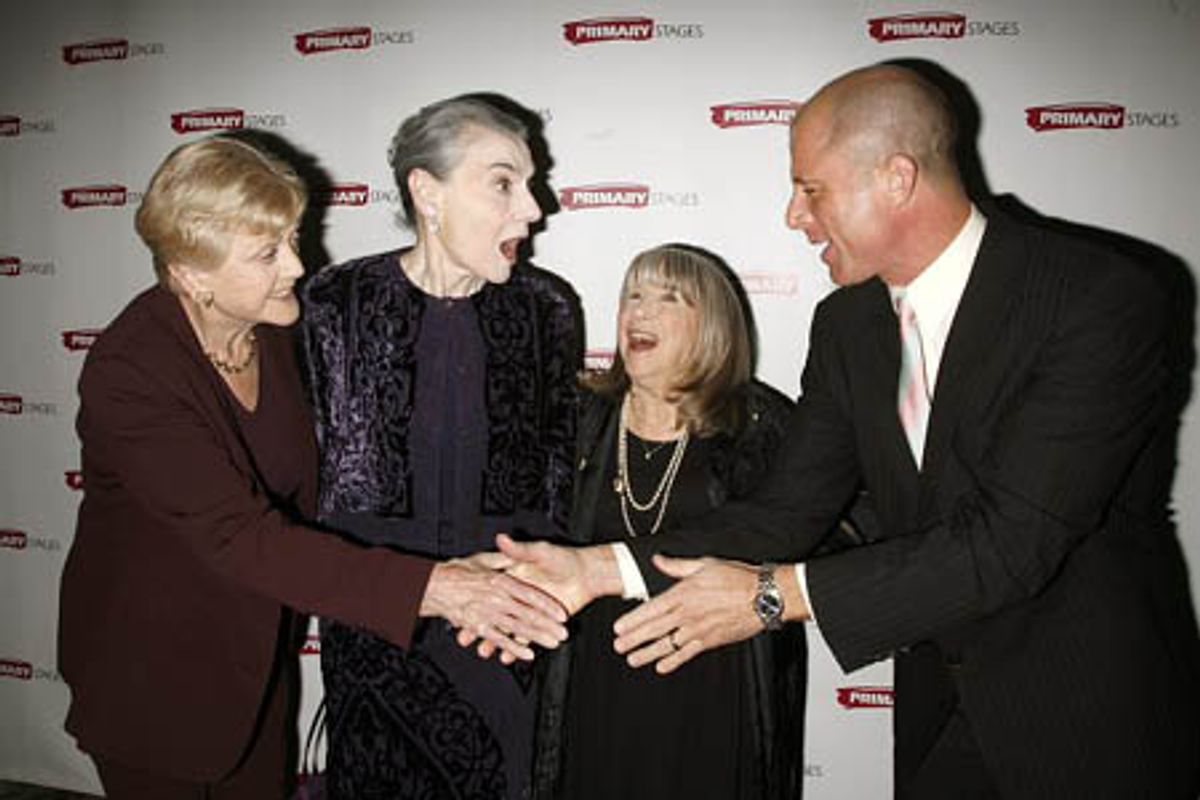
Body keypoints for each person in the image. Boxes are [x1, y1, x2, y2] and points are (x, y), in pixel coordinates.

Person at [504, 64, 1200, 799]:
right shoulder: (848, 324)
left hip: (1090, 718)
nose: (793, 216)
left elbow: (1010, 544)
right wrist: (599, 570)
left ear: (896, 179)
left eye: (812, 189)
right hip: (939, 717)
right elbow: (789, 512)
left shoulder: (1099, 296)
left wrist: (771, 598)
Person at [57, 135, 568, 800]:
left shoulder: (277, 330)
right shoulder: (131, 373)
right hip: (157, 679)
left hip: (256, 669)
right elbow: (238, 535)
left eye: (293, 239)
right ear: (190, 274)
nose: (297, 266)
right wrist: (434, 587)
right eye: (267, 254)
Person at [302, 95, 579, 800]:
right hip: (377, 631)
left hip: (504, 634)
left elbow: (555, 481)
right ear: (426, 192)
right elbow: (311, 476)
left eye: (531, 182)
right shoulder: (334, 303)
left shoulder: (547, 309)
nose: (533, 209)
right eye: (503, 182)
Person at [526, 244, 805, 800]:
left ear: (714, 326)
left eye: (668, 298)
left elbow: (815, 544)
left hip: (716, 700)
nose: (640, 312)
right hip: (594, 692)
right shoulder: (577, 417)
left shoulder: (761, 425)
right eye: (633, 295)